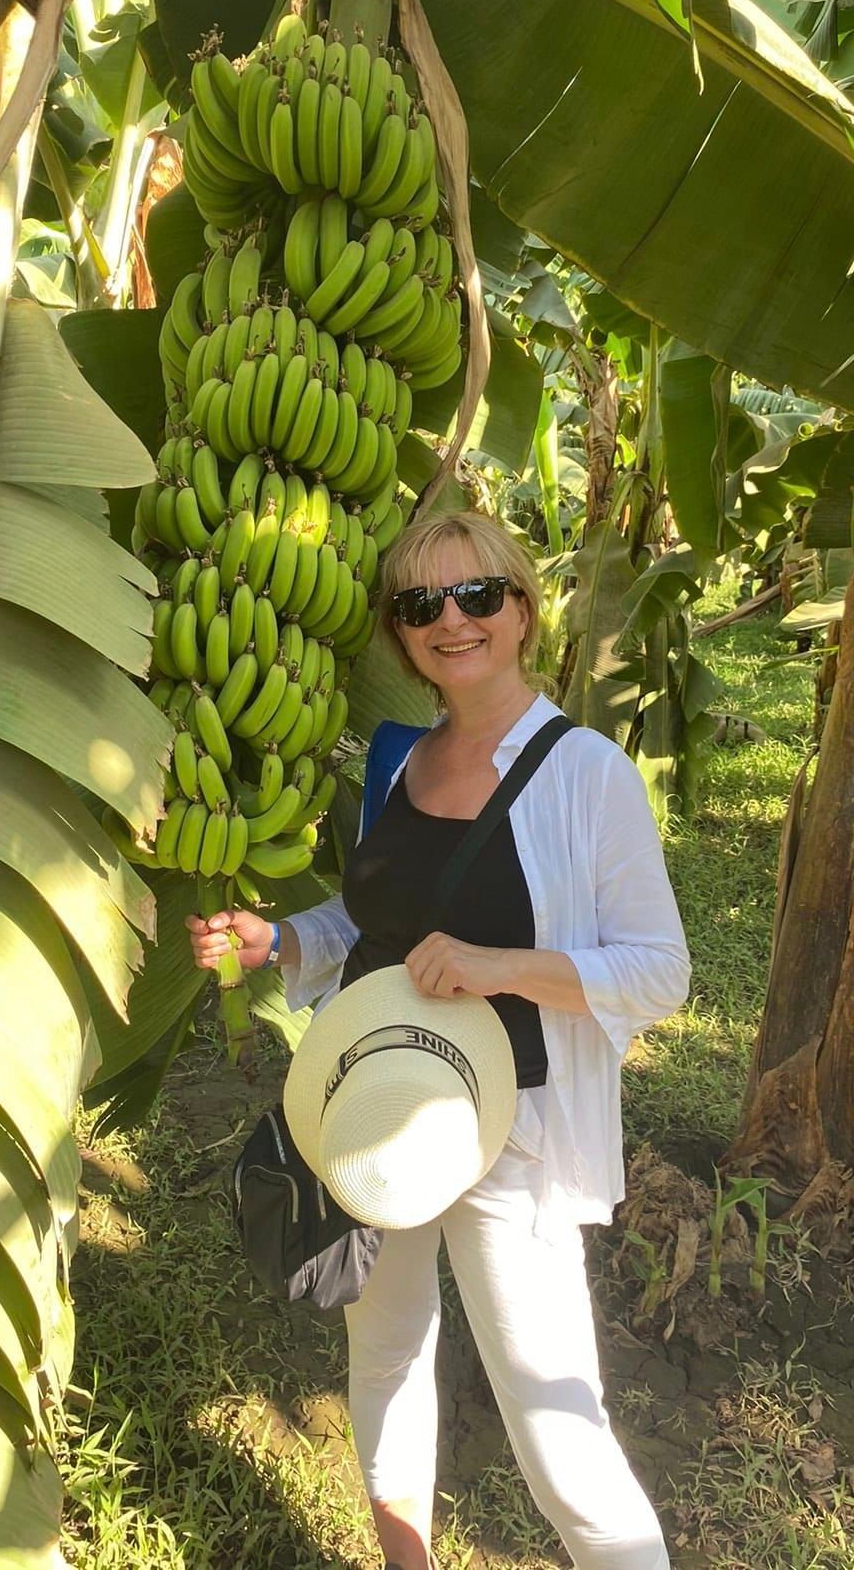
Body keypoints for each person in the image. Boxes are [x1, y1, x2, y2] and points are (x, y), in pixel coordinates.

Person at [188, 509, 690, 1570]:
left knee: (556, 1427)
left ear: (522, 609)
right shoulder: (395, 760)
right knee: (384, 1353)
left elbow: (660, 970)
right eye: (421, 604)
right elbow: (373, 922)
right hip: (373, 1096)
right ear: (399, 631)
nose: (451, 621)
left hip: (512, 1129)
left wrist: (500, 966)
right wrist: (276, 938)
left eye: (477, 596)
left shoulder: (587, 772)